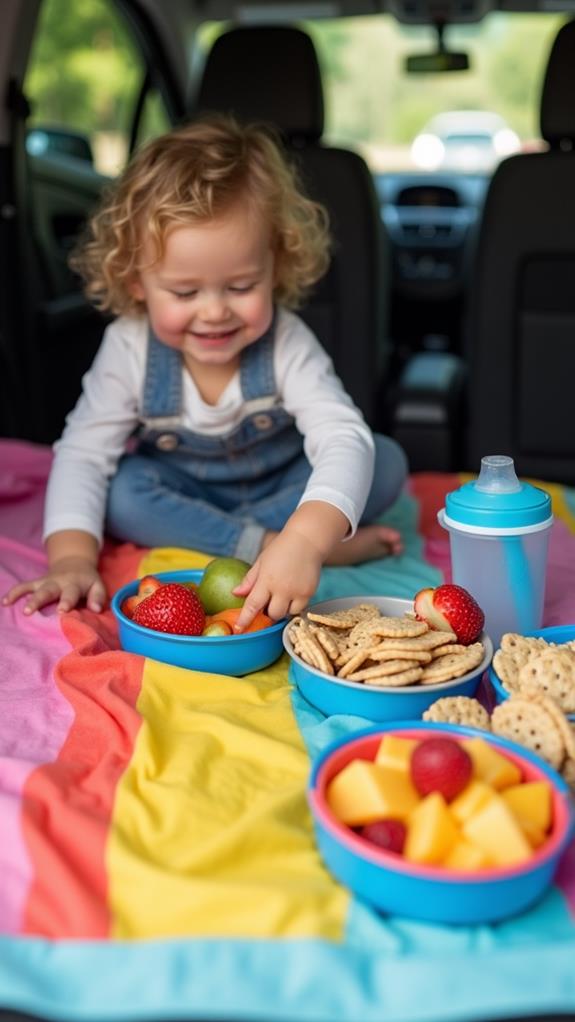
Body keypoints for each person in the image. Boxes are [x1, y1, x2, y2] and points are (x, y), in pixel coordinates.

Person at [3, 115, 407, 630]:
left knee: (382, 458)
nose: (214, 311)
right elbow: (84, 453)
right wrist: (71, 561)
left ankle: (300, 545)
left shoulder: (286, 339)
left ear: (275, 267)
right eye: (186, 292)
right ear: (137, 283)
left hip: (285, 488)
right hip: (188, 495)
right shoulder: (128, 346)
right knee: (125, 493)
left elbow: (340, 434)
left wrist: (306, 535)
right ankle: (270, 548)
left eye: (240, 287)